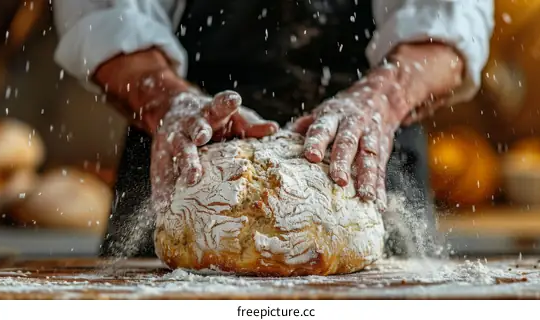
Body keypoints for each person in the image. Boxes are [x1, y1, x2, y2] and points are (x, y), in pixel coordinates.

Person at [53, 0, 494, 258]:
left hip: (362, 158)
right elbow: (106, 17)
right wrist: (166, 100)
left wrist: (384, 96)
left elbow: (451, 20)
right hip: (184, 160)